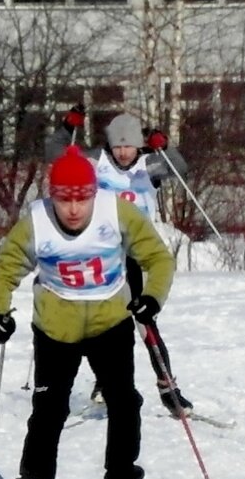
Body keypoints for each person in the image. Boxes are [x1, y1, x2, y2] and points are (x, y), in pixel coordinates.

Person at [0, 145, 175, 479]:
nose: (73, 210)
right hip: (56, 328)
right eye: (64, 199)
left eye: (81, 199)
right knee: (47, 414)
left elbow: (158, 258)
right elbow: (3, 271)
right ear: (52, 195)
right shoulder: (36, 221)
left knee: (125, 403)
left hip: (111, 322)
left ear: (93, 193)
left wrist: (152, 297)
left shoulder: (117, 212)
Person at [46, 108, 193, 414]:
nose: (124, 152)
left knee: (144, 320)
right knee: (104, 321)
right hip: (101, 254)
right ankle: (104, 382)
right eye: (118, 146)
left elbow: (180, 167)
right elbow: (55, 153)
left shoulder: (147, 166)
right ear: (110, 146)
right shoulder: (95, 163)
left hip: (135, 254)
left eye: (129, 146)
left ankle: (169, 389)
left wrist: (163, 145)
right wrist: (65, 127)